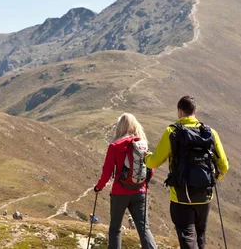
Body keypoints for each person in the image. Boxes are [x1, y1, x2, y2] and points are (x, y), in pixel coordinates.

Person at [145, 96, 229, 249]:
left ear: (180, 112)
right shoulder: (210, 133)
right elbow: (224, 165)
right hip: (204, 196)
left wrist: (146, 158)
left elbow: (154, 162)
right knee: (200, 237)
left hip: (181, 197)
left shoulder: (172, 132)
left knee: (187, 239)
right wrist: (213, 179)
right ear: (195, 112)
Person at [94, 113, 157, 249]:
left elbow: (106, 172)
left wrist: (98, 187)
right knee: (144, 228)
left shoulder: (115, 146)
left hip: (119, 192)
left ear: (120, 127)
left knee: (115, 228)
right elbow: (150, 169)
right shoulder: (142, 144)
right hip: (139, 191)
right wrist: (143, 184)